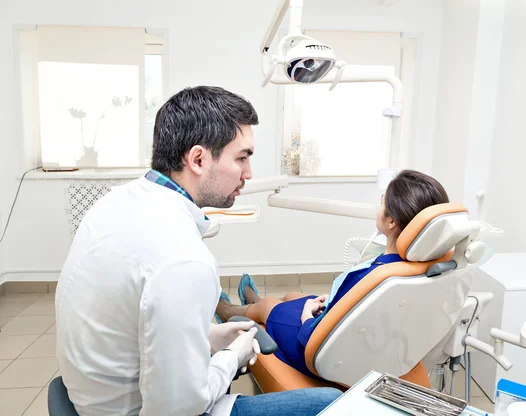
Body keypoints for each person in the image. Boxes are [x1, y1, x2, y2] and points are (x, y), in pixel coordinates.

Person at [55, 86, 341, 416]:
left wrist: (207, 338)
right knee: (330, 405)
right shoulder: (183, 259)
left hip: (91, 395)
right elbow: (177, 409)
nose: (248, 173)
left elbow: (135, 323)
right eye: (242, 157)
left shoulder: (113, 204)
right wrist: (231, 357)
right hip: (137, 410)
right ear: (198, 159)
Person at [216, 170, 449, 378]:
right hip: (364, 337)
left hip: (322, 353)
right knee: (292, 295)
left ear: (391, 220)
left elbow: (313, 337)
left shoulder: (379, 277)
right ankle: (254, 304)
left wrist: (307, 316)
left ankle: (232, 312)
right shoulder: (425, 269)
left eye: (381, 202)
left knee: (270, 305)